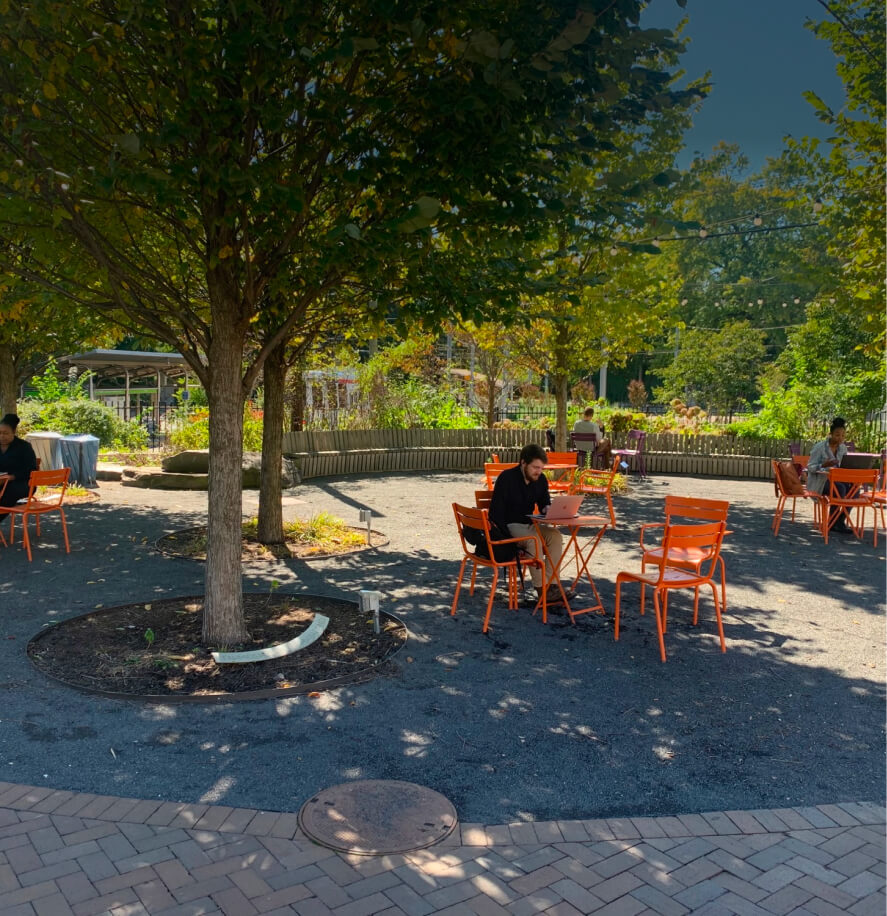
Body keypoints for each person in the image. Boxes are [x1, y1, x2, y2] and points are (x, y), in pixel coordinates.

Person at [489, 443, 566, 605]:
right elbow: (496, 513)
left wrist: (548, 509)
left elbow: (544, 502)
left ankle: (552, 585)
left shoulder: (541, 480)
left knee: (555, 536)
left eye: (541, 468)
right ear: (523, 463)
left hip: (530, 523)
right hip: (509, 526)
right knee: (534, 540)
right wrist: (506, 539)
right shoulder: (507, 478)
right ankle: (541, 589)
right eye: (535, 467)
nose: (538, 471)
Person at [807, 417, 850, 532]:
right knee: (840, 488)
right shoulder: (820, 447)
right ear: (830, 434)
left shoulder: (843, 448)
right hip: (820, 481)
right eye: (837, 435)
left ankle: (840, 521)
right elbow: (810, 467)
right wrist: (824, 465)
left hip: (837, 479)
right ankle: (831, 522)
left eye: (842, 435)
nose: (840, 438)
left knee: (854, 490)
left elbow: (843, 466)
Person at [0, 413, 38, 507]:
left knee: (7, 492)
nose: (2, 436)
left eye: (5, 433)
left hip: (22, 483)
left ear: (14, 432)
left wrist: (11, 477)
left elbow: (31, 470)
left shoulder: (24, 447)